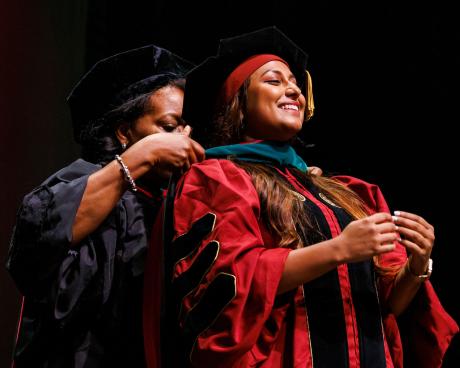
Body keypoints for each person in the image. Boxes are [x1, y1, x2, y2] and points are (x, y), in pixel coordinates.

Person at [143, 27, 459, 368]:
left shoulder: (343, 191)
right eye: (274, 81)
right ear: (239, 102)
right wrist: (339, 249)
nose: (293, 89)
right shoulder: (218, 179)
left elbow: (388, 303)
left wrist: (415, 266)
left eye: (294, 82)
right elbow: (233, 282)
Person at [6, 44, 205, 367]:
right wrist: (144, 155)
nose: (182, 139)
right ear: (125, 131)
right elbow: (37, 253)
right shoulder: (81, 180)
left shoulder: (180, 204)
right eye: (169, 127)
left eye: (188, 129)